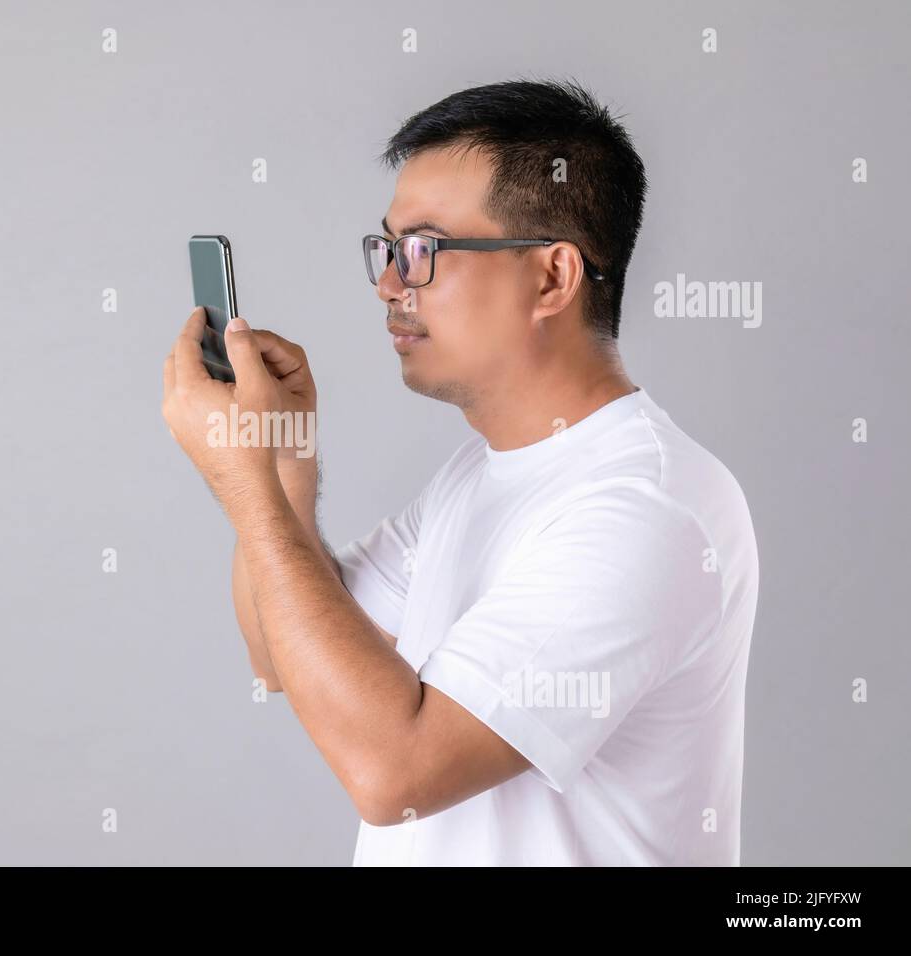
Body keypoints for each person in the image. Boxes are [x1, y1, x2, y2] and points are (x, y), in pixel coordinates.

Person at [161, 78, 759, 866]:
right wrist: (281, 462)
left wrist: (244, 484)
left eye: (422, 252)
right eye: (386, 248)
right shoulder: (479, 476)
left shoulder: (645, 507)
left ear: (551, 277)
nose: (387, 286)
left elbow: (395, 771)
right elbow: (280, 657)